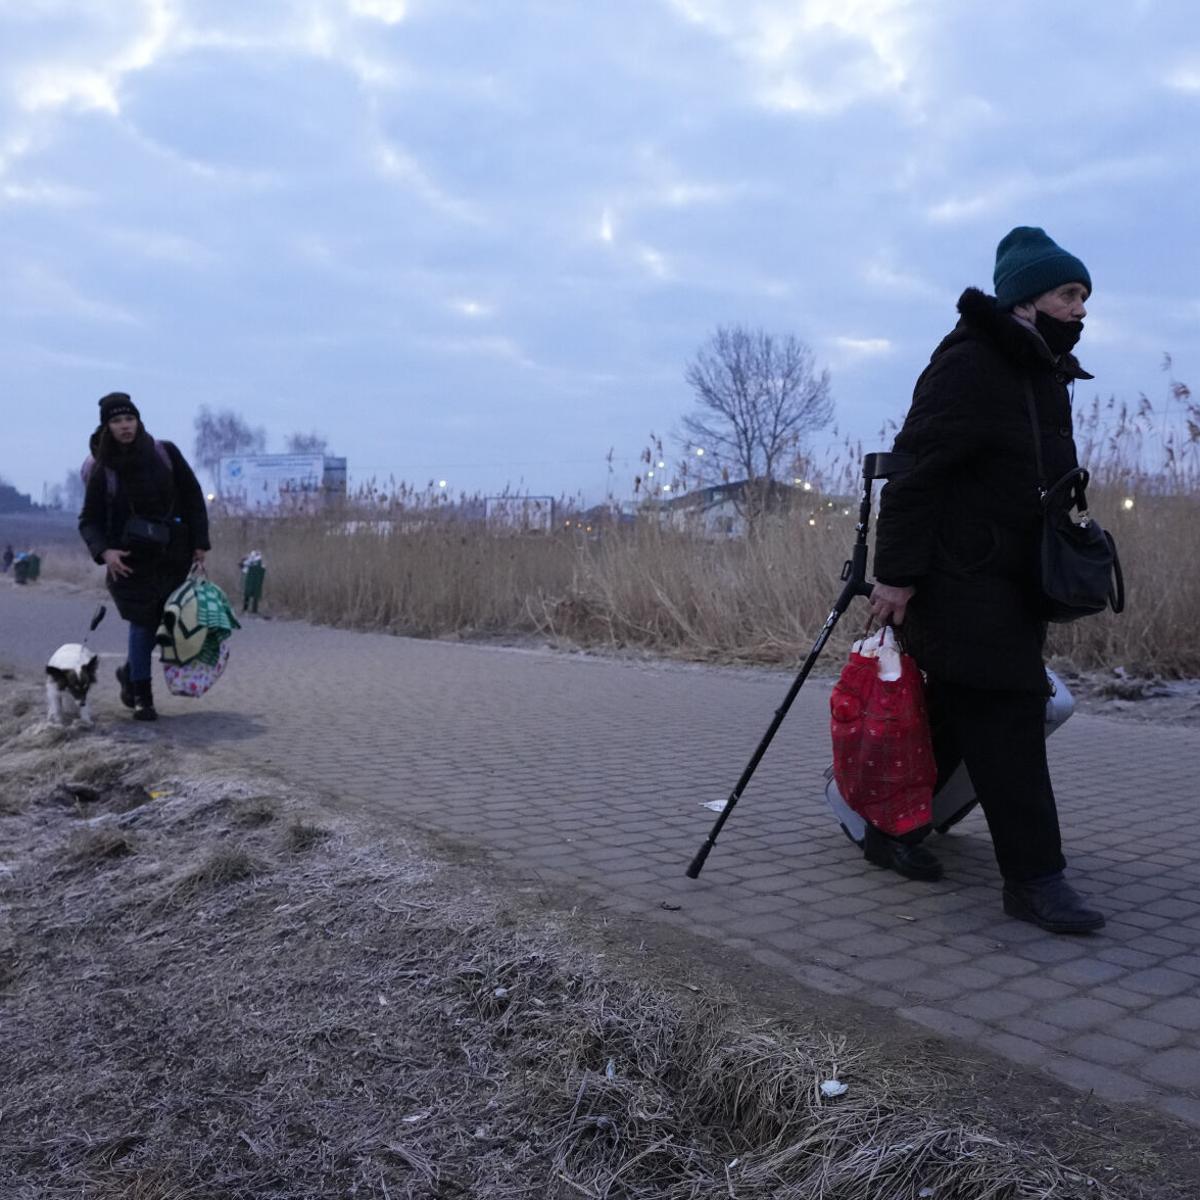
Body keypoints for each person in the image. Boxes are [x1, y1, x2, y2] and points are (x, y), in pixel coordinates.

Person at [868, 226, 1105, 935]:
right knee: (1009, 717)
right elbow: (915, 475)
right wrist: (894, 577)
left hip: (1011, 578)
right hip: (961, 582)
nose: (1081, 309)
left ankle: (882, 820)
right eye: (1069, 294)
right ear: (1025, 299)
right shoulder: (971, 363)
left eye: (1085, 296)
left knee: (954, 715)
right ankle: (1035, 879)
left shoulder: (1040, 370)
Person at [78, 392, 210, 721]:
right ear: (106, 427)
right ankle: (142, 697)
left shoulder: (164, 453)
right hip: (127, 560)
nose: (125, 426)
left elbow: (193, 496)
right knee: (142, 622)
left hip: (171, 554)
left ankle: (130, 672)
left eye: (130, 419)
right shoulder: (102, 468)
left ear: (138, 421)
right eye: (117, 421)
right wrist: (105, 552)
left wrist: (200, 543)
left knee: (164, 621)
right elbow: (89, 520)